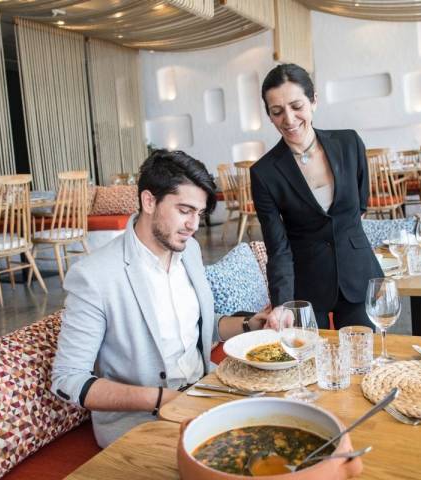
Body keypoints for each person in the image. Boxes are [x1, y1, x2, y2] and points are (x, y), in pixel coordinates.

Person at [51, 149, 277, 447]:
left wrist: (250, 325)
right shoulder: (95, 275)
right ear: (149, 201)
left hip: (204, 391)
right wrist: (161, 399)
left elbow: (196, 330)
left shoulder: (190, 251)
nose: (193, 225)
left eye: (199, 213)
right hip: (144, 422)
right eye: (184, 211)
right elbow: (68, 380)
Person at [250, 63, 384, 330]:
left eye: (296, 106)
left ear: (314, 101)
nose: (288, 119)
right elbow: (278, 247)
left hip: (357, 273)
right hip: (308, 285)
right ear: (270, 116)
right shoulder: (264, 173)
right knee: (311, 364)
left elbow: (360, 207)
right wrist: (282, 303)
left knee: (363, 360)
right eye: (277, 112)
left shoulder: (349, 143)